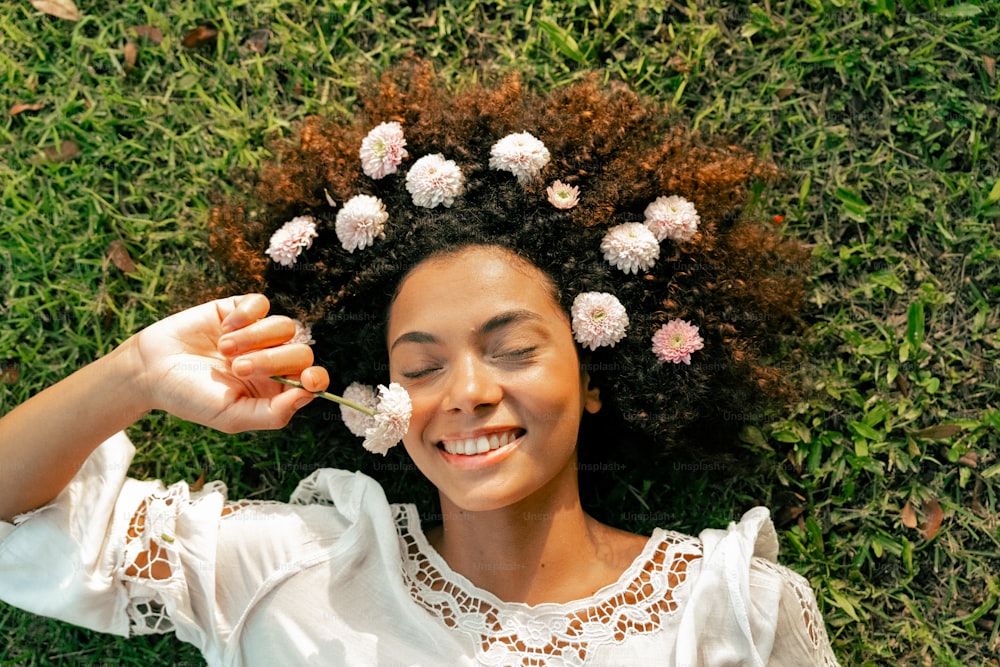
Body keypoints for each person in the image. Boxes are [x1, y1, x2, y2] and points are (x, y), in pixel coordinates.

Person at [0, 63, 840, 666]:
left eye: (512, 350)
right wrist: (137, 371)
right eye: (422, 367)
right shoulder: (294, 571)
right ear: (381, 401)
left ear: (591, 376)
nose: (469, 392)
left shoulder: (729, 607)